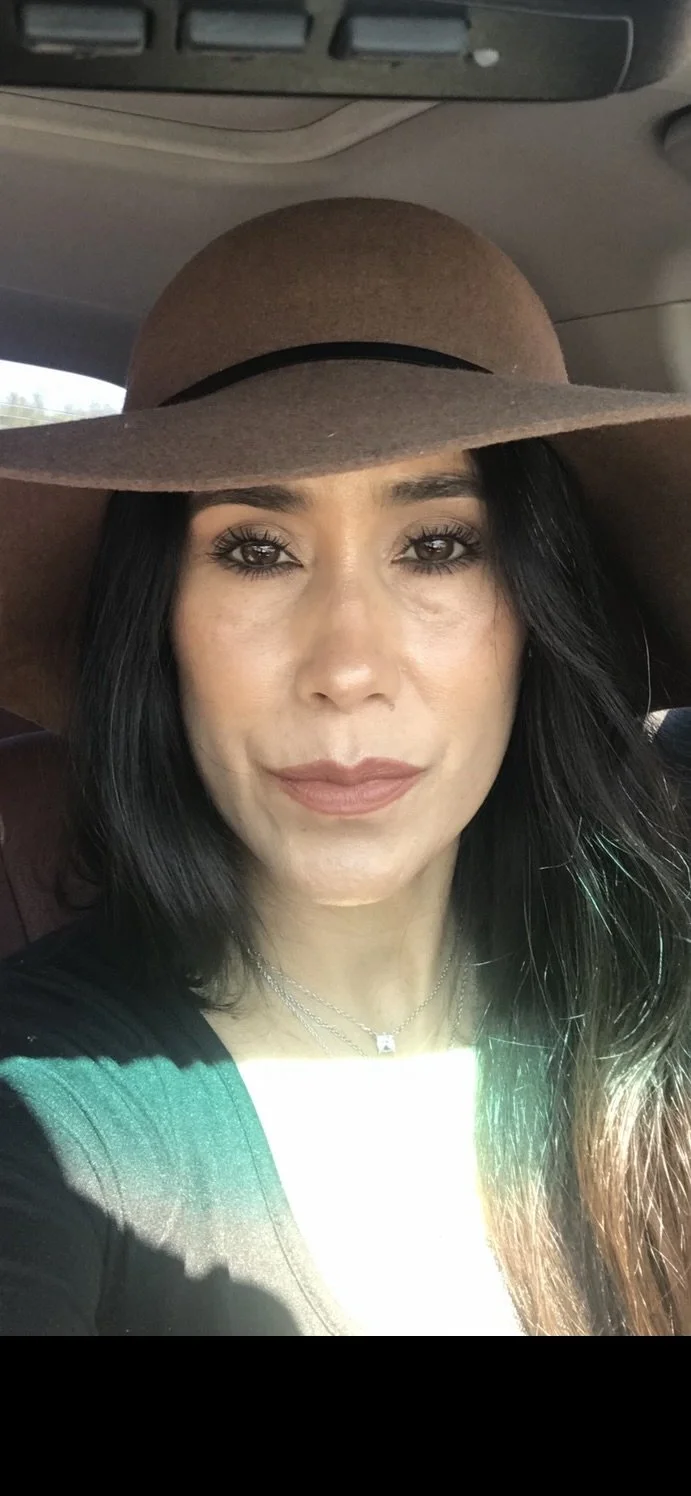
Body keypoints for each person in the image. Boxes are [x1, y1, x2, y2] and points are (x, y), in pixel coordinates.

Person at [0, 197, 691, 1335]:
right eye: (256, 550)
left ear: (537, 606)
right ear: (156, 618)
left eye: (437, 545)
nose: (348, 667)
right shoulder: (48, 1106)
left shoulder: (656, 1003)